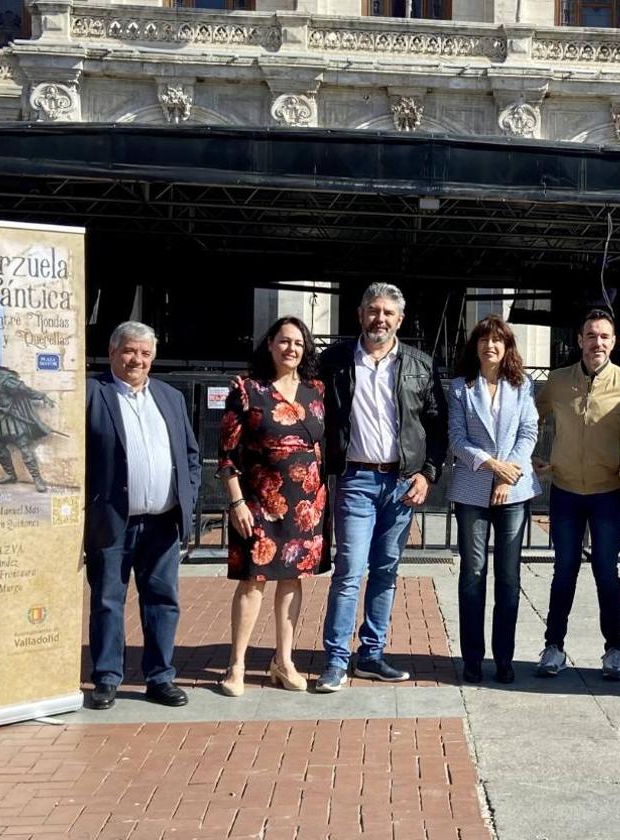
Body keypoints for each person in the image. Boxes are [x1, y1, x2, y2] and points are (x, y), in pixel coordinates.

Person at [315, 282, 447, 692]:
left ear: (400, 320)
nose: (380, 319)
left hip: (403, 482)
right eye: (373, 311)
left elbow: (437, 427)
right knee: (350, 572)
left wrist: (427, 473)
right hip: (356, 479)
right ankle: (336, 660)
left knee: (386, 572)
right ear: (360, 314)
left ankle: (371, 654)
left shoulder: (420, 365)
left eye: (388, 313)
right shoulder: (334, 361)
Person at [84, 321, 202, 710]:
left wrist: (187, 496)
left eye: (145, 353)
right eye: (129, 351)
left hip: (162, 522)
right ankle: (106, 678)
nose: (137, 359)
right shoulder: (90, 394)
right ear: (113, 352)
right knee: (107, 601)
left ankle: (160, 677)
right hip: (112, 521)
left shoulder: (169, 396)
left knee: (162, 600)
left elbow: (190, 454)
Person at [533, 309, 620, 680]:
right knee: (563, 570)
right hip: (565, 490)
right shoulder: (556, 381)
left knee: (605, 572)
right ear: (579, 340)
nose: (597, 343)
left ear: (614, 342)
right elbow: (526, 418)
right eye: (590, 335)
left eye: (604, 337)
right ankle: (554, 647)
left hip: (608, 494)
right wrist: (530, 455)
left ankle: (614, 650)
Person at [217, 317, 328, 696]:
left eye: (298, 343)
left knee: (292, 582)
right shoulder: (247, 390)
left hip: (306, 505)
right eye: (284, 341)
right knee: (252, 582)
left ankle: (284, 662)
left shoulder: (316, 392)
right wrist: (236, 502)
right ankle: (236, 666)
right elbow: (227, 455)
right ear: (270, 345)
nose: (291, 349)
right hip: (259, 503)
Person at [447, 315, 542, 685]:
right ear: (475, 346)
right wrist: (491, 466)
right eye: (484, 339)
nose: (491, 346)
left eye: (498, 340)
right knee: (472, 574)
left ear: (507, 348)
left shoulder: (522, 386)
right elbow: (456, 438)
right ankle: (473, 658)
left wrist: (510, 472)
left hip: (513, 491)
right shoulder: (459, 388)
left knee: (508, 575)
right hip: (472, 488)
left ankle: (504, 657)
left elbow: (529, 431)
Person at [0, 364, 57, 492]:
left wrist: (41, 396)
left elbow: (24, 390)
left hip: (11, 419)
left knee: (24, 449)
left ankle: (37, 479)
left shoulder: (5, 381)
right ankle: (10, 475)